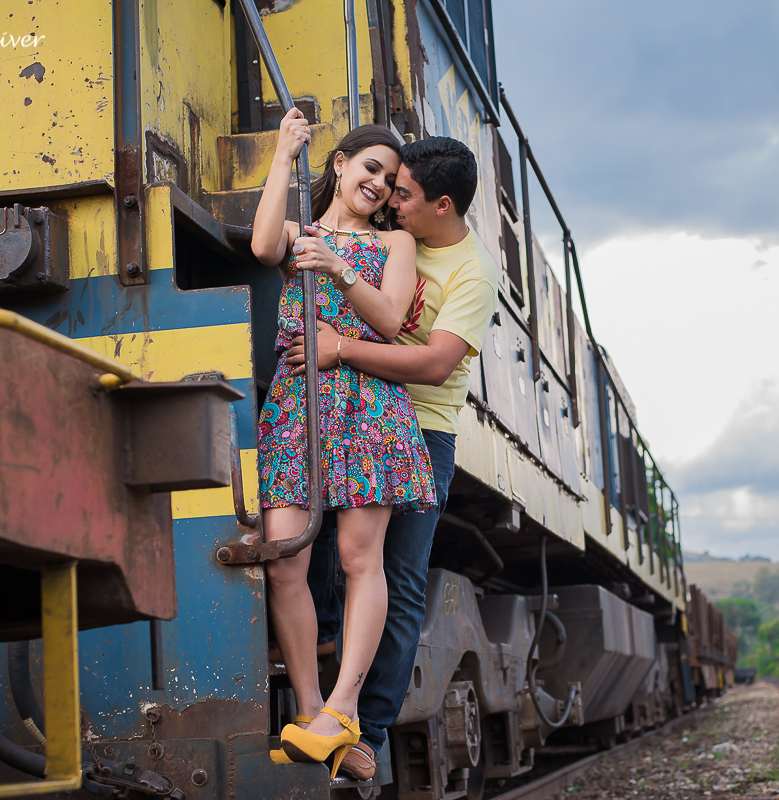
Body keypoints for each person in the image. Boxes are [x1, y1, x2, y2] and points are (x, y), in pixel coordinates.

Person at [285, 135, 498, 780]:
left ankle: (367, 734)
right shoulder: (384, 237)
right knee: (317, 551)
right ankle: (320, 690)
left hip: (421, 428)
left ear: (441, 204)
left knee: (398, 578)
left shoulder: (470, 273)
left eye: (403, 193)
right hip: (346, 410)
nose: (390, 199)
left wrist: (341, 350)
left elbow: (434, 365)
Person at [251, 108, 437, 779]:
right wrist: (283, 153)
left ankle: (344, 707)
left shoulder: (395, 245)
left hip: (366, 408)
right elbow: (261, 246)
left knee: (361, 560)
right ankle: (310, 713)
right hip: (297, 406)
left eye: (389, 180)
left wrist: (336, 267)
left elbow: (389, 321)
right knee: (284, 561)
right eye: (371, 169)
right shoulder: (299, 234)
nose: (380, 185)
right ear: (340, 164)